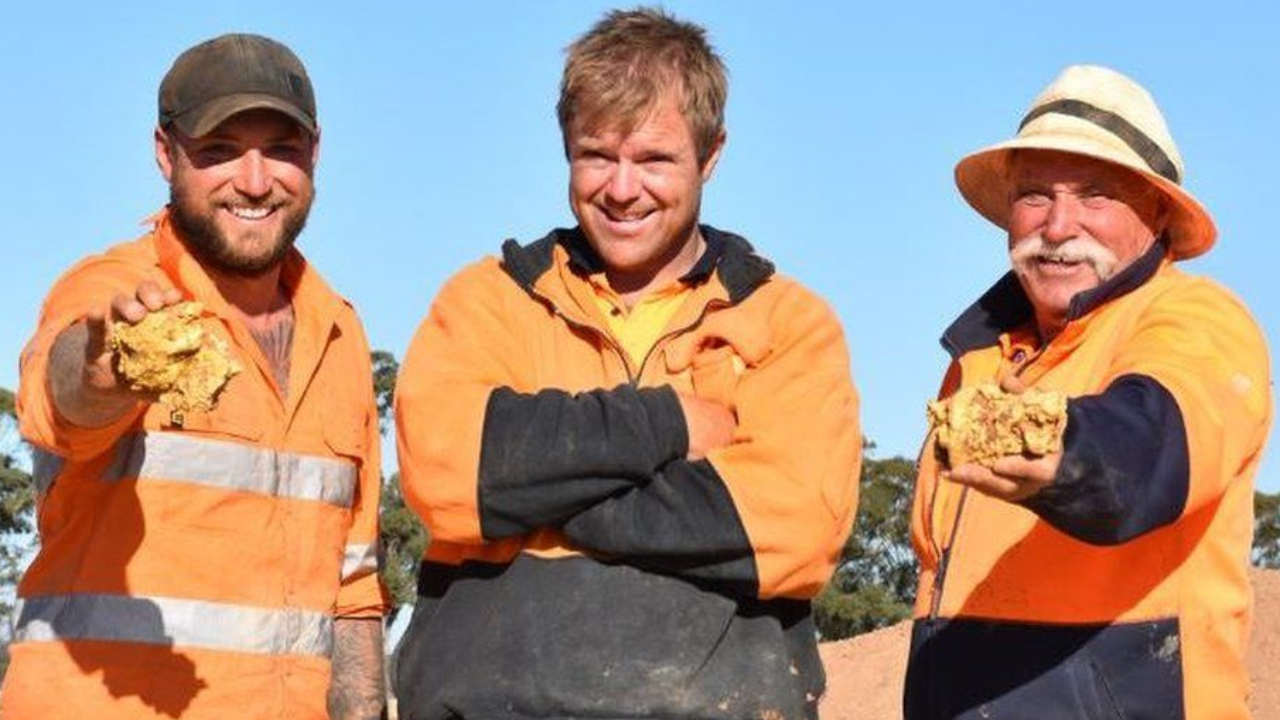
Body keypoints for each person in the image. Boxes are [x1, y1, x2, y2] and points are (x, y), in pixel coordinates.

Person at [393, 8, 861, 720]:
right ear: (565, 149)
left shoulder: (787, 323)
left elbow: (796, 530)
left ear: (712, 154)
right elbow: (447, 473)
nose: (620, 188)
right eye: (596, 154)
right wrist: (670, 423)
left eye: (654, 160)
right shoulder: (489, 300)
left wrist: (539, 492)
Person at [2, 34, 388, 720]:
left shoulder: (341, 333)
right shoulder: (115, 289)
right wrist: (104, 372)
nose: (255, 179)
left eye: (281, 149)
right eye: (218, 152)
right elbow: (58, 396)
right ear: (165, 153)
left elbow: (352, 586)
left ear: (315, 153)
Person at [904, 65, 1272, 720]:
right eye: (1036, 195)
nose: (1058, 224)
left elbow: (1152, 444)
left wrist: (1057, 447)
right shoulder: (979, 360)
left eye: (1096, 195)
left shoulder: (1198, 320)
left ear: (1157, 212)